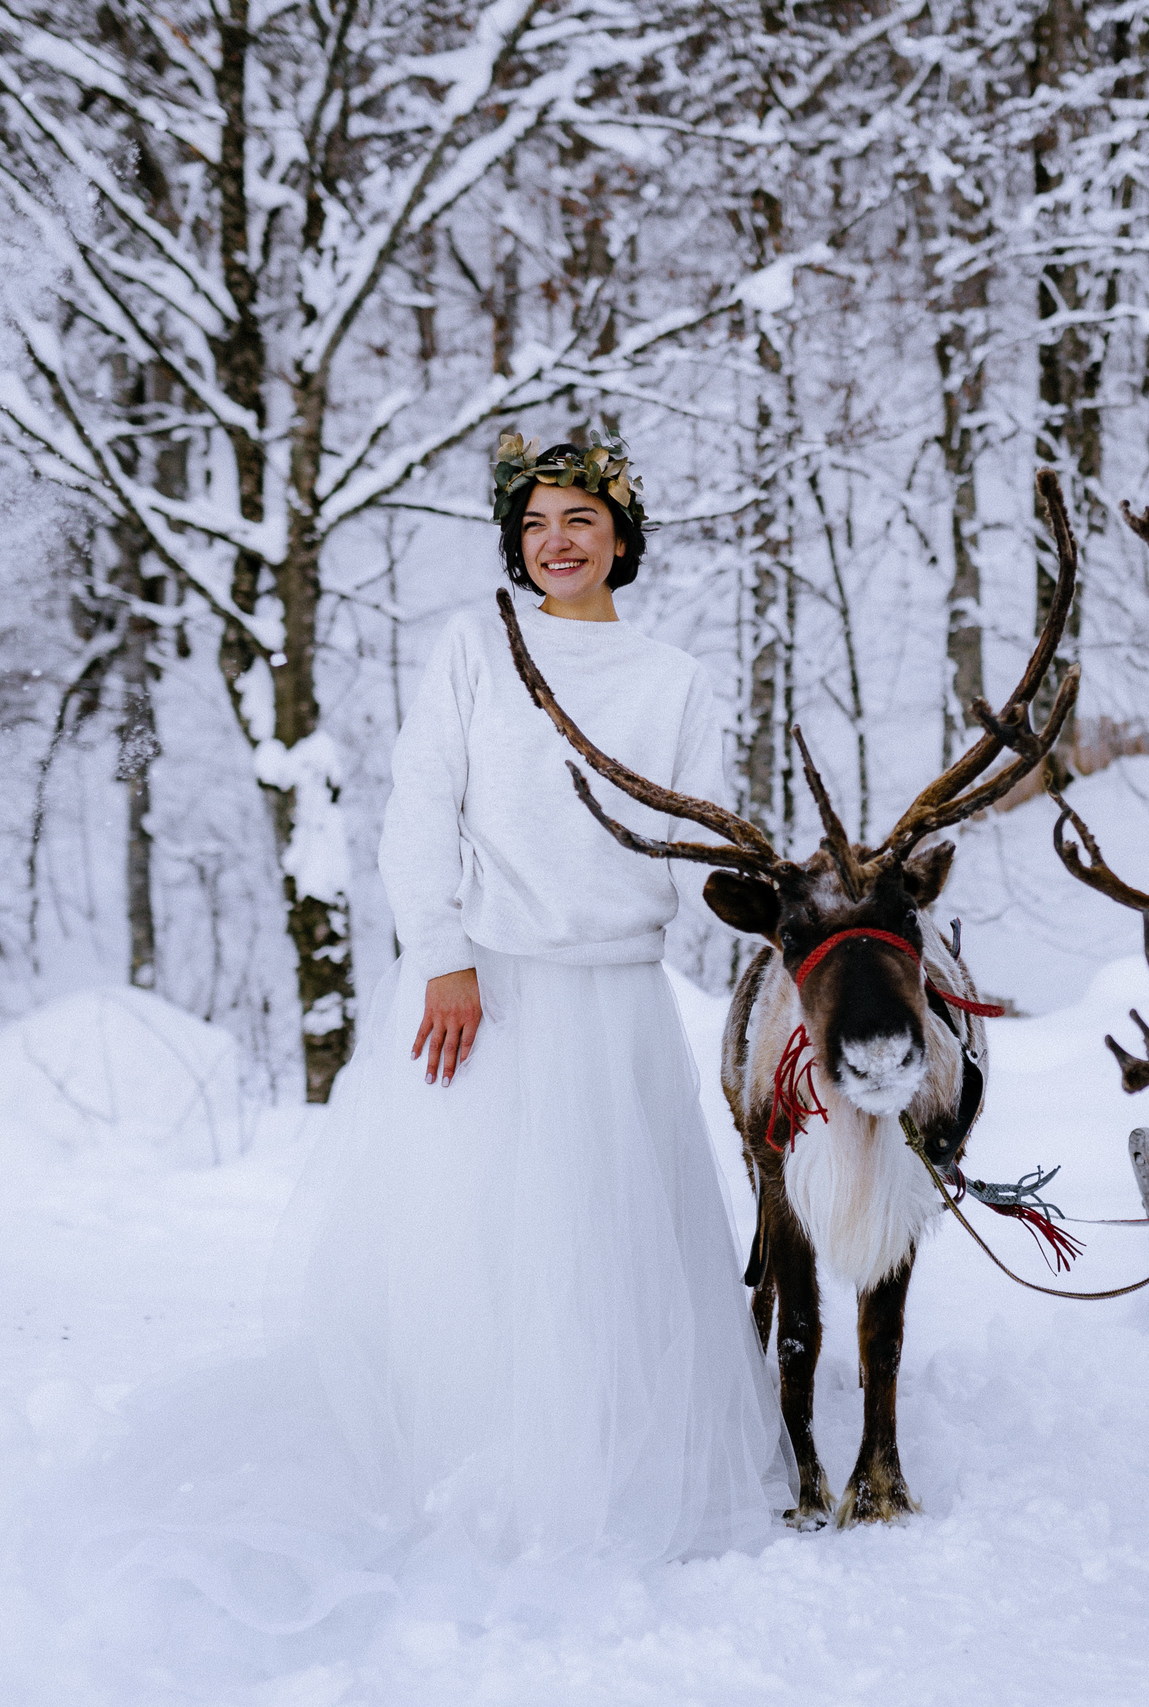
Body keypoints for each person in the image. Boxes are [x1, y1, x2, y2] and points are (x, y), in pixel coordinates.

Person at [291, 430, 784, 1580]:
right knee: (495, 1239)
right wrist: (442, 953)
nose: (556, 542)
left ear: (621, 539)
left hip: (616, 1004)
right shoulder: (477, 645)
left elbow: (695, 851)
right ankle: (489, 1464)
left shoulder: (675, 681)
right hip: (490, 990)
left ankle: (624, 1466)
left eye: (580, 521)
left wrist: (799, 924)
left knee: (614, 1239)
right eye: (536, 524)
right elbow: (422, 805)